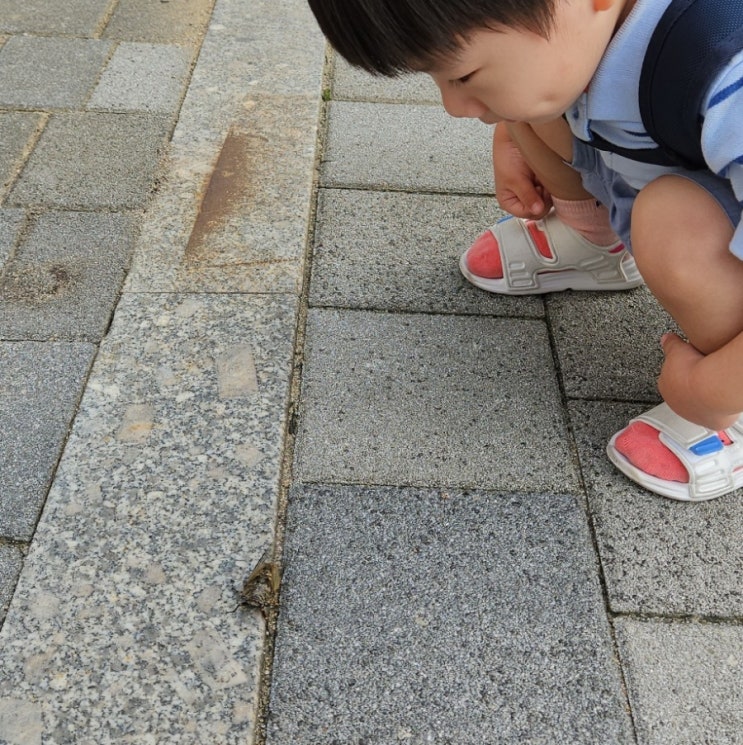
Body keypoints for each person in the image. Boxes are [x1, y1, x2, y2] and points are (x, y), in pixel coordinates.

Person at [306, 0, 743, 502]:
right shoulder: (591, 26)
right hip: (665, 158)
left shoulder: (727, 65)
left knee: (673, 227)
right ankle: (595, 241)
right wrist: (516, 134)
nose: (453, 106)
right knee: (532, 100)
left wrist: (711, 390)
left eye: (464, 74)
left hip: (692, 211)